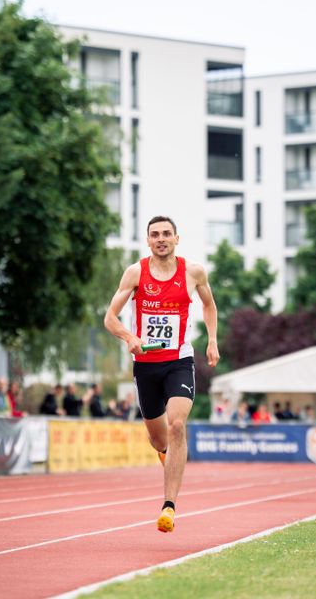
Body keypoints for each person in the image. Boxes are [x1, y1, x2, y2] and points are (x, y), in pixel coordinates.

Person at [104, 215, 219, 533]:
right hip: (146, 365)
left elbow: (209, 305)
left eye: (167, 234)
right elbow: (110, 318)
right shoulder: (136, 272)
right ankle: (167, 454)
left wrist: (211, 339)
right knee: (158, 439)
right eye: (155, 234)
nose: (161, 239)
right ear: (148, 240)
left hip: (179, 361)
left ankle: (169, 507)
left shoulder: (193, 272)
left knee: (177, 425)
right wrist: (130, 337)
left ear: (177, 239)